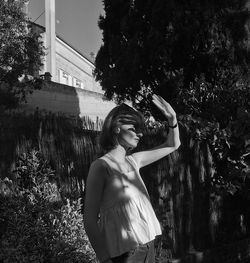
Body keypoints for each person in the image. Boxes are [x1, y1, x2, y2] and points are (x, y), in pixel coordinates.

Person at [84, 94, 181, 263]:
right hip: (126, 255)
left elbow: (173, 144)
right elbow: (90, 219)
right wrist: (104, 260)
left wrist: (172, 119)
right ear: (116, 127)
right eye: (134, 128)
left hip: (148, 246)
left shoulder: (134, 161)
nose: (140, 134)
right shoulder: (101, 167)